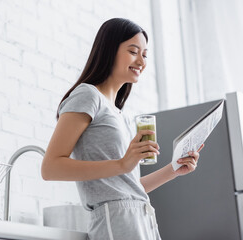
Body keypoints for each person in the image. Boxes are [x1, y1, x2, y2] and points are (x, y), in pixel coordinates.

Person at [41, 18, 204, 240]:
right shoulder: (87, 95)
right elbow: (50, 168)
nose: (141, 61)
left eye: (145, 55)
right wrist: (122, 163)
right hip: (116, 221)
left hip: (141, 217)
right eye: (133, 51)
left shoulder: (122, 115)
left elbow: (127, 187)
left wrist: (174, 169)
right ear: (109, 50)